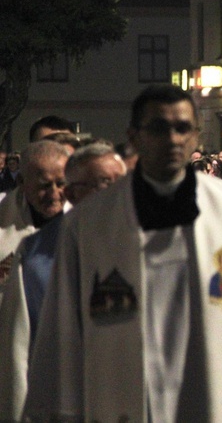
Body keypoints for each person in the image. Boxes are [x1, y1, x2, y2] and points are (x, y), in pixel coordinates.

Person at [23, 85, 222, 421]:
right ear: (135, 136)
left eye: (182, 128)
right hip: (126, 393)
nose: (172, 139)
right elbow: (63, 327)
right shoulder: (88, 222)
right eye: (159, 127)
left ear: (196, 136)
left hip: (214, 389)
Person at [0, 143, 127, 421]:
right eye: (101, 183)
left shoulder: (151, 243)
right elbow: (17, 355)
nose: (113, 192)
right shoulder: (33, 259)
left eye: (120, 182)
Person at [0, 141, 70, 304]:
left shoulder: (86, 224)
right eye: (44, 186)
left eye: (61, 184)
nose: (54, 195)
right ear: (21, 183)